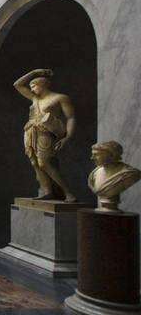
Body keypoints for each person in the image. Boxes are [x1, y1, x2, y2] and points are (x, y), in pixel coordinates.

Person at [14, 69, 76, 202]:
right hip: (30, 131)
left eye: (34, 86)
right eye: (31, 87)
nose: (32, 90)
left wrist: (68, 137)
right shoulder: (35, 98)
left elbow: (71, 117)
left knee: (44, 163)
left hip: (45, 132)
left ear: (42, 85)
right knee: (34, 162)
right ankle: (47, 191)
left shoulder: (60, 98)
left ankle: (68, 192)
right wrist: (33, 72)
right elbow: (17, 85)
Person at [87, 140, 140, 213]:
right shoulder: (94, 173)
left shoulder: (129, 173)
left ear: (111, 155)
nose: (92, 158)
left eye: (96, 154)